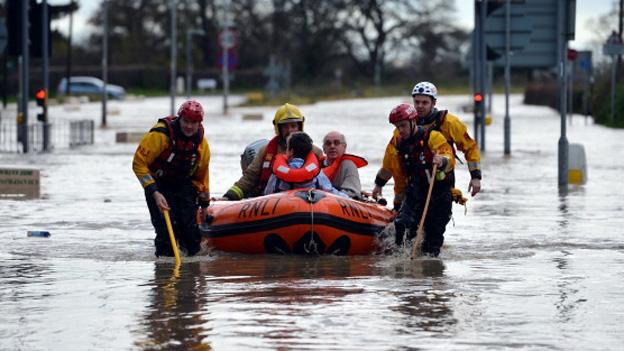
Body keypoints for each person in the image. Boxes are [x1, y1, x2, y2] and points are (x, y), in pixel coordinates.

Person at [372, 81, 481, 208]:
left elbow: (470, 147)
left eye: (424, 102)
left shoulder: (449, 123)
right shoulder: (404, 126)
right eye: (417, 102)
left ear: (434, 103)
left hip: (440, 179)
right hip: (414, 182)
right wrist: (379, 184)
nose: (420, 106)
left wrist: (475, 177)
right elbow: (391, 160)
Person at [132, 100, 211, 257]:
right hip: (158, 184)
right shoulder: (160, 135)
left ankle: (192, 274)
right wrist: (155, 192)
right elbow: (139, 164)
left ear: (199, 123)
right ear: (179, 119)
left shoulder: (201, 144)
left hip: (183, 184)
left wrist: (204, 204)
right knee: (166, 231)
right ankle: (164, 270)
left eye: (194, 123)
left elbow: (202, 174)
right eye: (186, 121)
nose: (189, 126)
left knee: (190, 234)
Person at [384, 103, 455, 256]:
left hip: (438, 194)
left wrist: (442, 160)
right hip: (414, 192)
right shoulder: (399, 146)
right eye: (397, 127)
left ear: (413, 121)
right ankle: (402, 263)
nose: (400, 130)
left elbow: (448, 155)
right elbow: (399, 177)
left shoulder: (433, 136)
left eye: (403, 125)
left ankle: (430, 271)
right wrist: (397, 205)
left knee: (432, 240)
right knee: (402, 225)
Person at [223, 103, 322, 200]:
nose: (290, 130)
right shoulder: (266, 151)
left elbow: (325, 178)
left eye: (293, 126)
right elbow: (250, 177)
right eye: (285, 127)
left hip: (308, 199)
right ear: (279, 128)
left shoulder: (315, 151)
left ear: (300, 126)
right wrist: (229, 196)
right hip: (270, 200)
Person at [264, 132, 347, 197]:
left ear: (291, 151)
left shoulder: (277, 173)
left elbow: (267, 193)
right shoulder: (316, 173)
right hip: (311, 207)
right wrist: (348, 198)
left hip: (281, 209)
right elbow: (330, 191)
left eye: (287, 148)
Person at [320, 131, 367, 199]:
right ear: (324, 149)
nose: (332, 146)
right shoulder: (317, 165)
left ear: (344, 147)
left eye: (336, 143)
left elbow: (352, 193)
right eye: (328, 143)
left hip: (340, 202)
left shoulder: (348, 165)